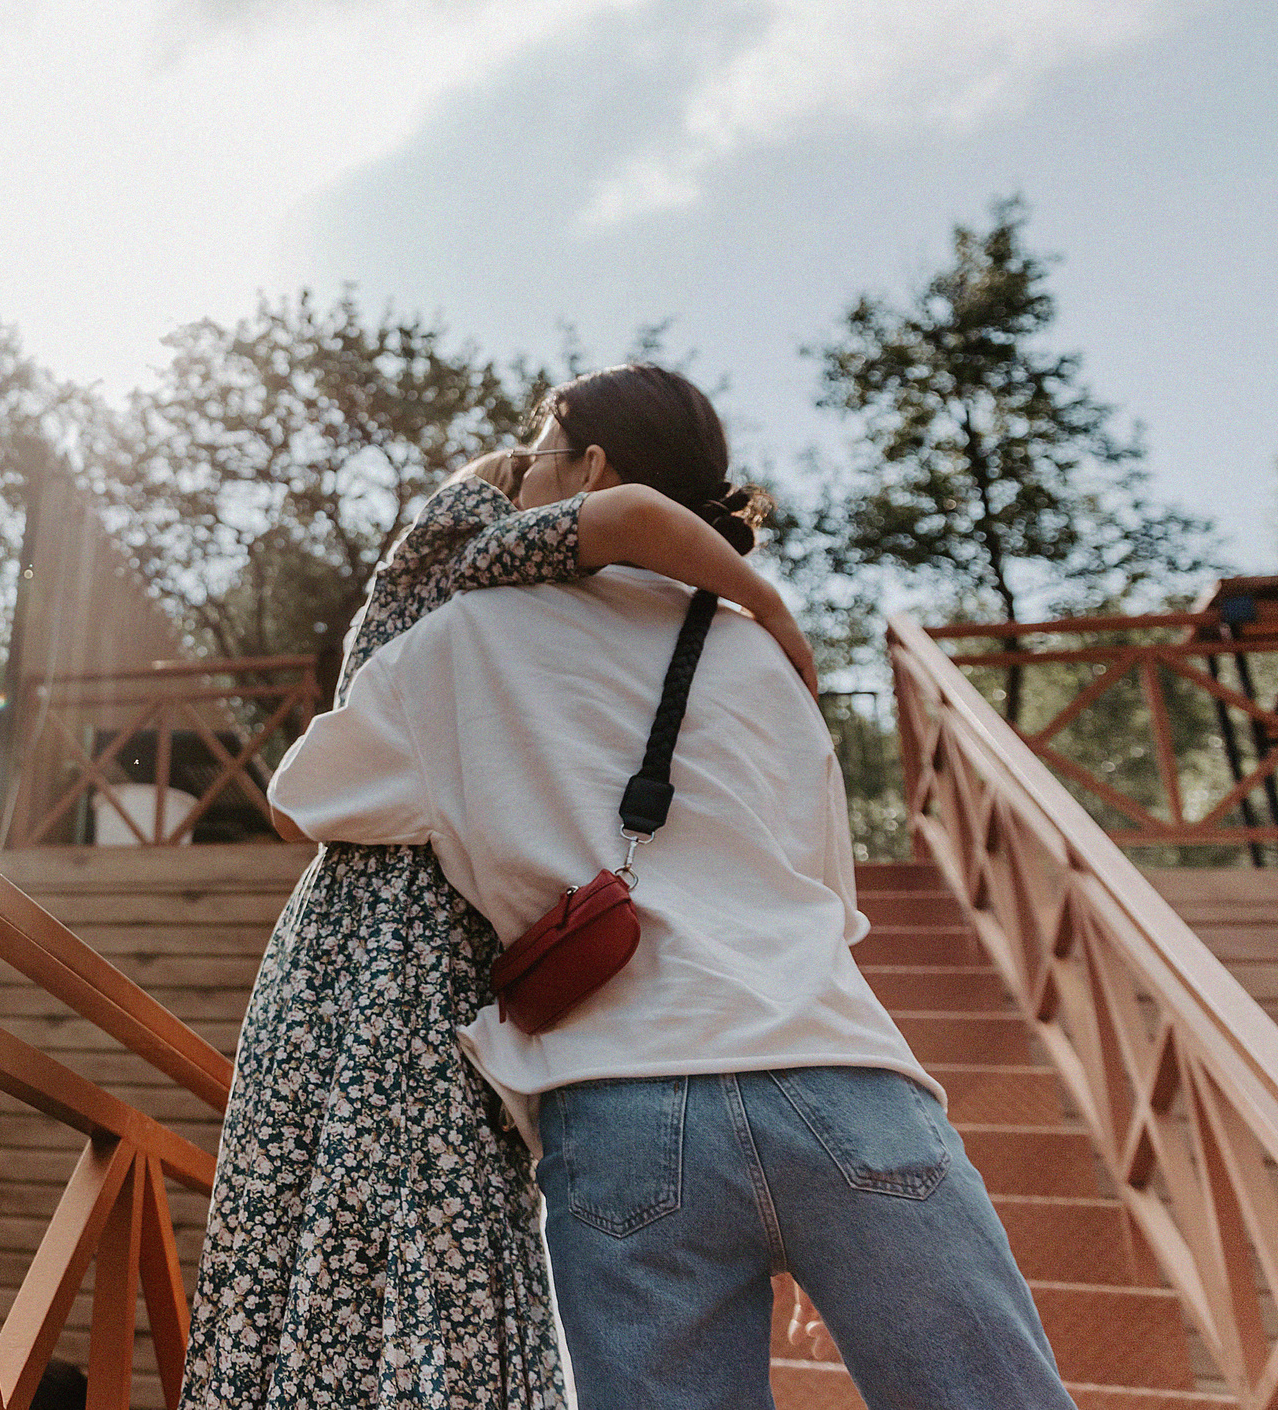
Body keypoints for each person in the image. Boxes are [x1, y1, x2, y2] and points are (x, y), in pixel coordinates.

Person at [265, 364, 1077, 1408]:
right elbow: (826, 897)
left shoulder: (457, 641)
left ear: (588, 467)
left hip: (621, 1103)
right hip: (847, 1081)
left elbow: (302, 799)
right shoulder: (757, 650)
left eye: (534, 455)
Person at [179, 364, 820, 1410]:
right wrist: (767, 606)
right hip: (395, 938)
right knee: (422, 1245)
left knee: (363, 1240)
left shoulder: (532, 599)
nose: (525, 462)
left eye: (542, 443)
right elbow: (624, 517)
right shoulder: (476, 541)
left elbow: (620, 518)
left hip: (400, 935)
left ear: (591, 456)